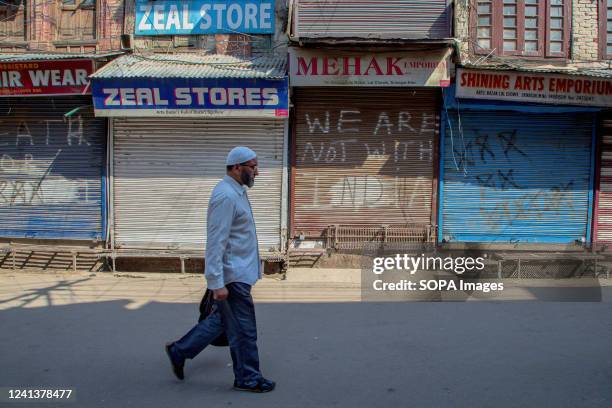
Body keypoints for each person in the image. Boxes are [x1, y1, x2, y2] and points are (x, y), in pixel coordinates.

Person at [165, 146, 275, 393]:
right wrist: (216, 283)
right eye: (253, 167)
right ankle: (248, 377)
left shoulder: (237, 192)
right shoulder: (226, 196)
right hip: (233, 276)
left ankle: (179, 351)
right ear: (237, 167)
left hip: (239, 273)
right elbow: (216, 241)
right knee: (245, 331)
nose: (257, 172)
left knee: (223, 322)